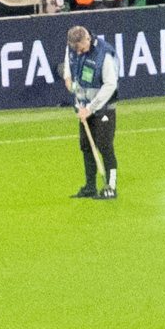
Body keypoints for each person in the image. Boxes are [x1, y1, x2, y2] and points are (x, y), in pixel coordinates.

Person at [65, 24, 118, 201]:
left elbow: (110, 84)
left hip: (103, 109)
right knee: (86, 146)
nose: (78, 53)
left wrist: (91, 108)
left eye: (81, 48)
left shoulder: (105, 54)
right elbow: (70, 73)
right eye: (75, 50)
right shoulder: (72, 49)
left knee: (104, 145)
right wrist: (77, 97)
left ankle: (111, 187)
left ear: (87, 39)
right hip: (84, 107)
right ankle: (90, 187)